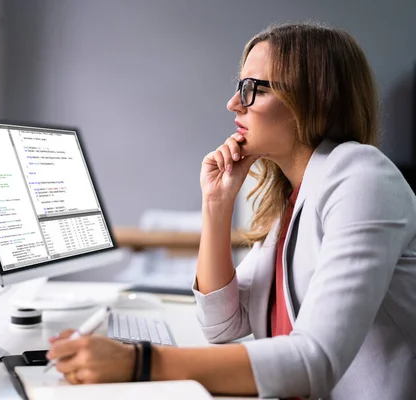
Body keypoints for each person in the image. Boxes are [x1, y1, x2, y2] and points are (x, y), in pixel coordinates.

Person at [46, 22, 416, 399]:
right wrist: (216, 205)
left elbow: (313, 362)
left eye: (253, 88)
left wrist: (138, 363)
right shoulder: (293, 200)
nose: (234, 103)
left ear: (313, 99)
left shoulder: (362, 178)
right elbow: (221, 323)